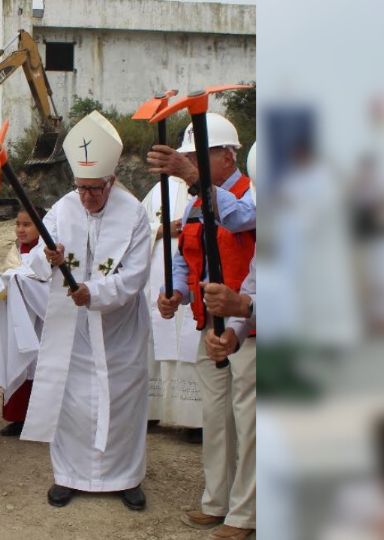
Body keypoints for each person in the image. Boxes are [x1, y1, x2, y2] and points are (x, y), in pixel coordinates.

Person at [21, 111, 152, 511]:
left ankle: (126, 478)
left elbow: (134, 277)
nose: (88, 198)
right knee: (73, 400)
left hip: (119, 328)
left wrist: (93, 292)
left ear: (111, 181)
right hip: (74, 329)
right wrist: (50, 257)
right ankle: (69, 476)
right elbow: (37, 265)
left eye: (96, 190)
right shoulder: (64, 208)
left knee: (123, 402)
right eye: (82, 189)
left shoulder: (134, 214)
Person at [150, 116, 256, 539]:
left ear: (228, 155)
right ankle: (218, 499)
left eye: (199, 156)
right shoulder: (196, 202)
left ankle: (246, 513)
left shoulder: (253, 193)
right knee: (215, 418)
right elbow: (185, 253)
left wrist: (194, 179)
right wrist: (173, 290)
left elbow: (234, 220)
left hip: (249, 328)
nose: (190, 163)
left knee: (248, 422)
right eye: (189, 156)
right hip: (209, 327)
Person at [0, 208, 49, 437]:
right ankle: (18, 418)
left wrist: (21, 282)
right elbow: (8, 278)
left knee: (39, 368)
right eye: (18, 224)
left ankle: (41, 419)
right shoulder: (15, 251)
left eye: (27, 225)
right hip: (18, 320)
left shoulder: (47, 252)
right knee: (18, 364)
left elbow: (48, 286)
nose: (20, 229)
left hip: (40, 324)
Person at [142, 174, 203, 442]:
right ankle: (151, 410)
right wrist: (163, 228)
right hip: (159, 275)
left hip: (191, 274)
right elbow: (136, 228)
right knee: (156, 339)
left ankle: (194, 419)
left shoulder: (207, 186)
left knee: (191, 339)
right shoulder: (157, 191)